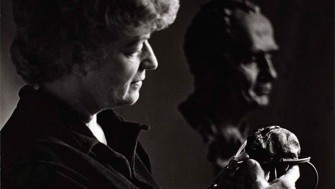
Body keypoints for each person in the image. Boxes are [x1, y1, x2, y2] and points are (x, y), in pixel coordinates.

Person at [1, 0, 179, 188]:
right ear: (78, 55)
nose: (152, 61)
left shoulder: (110, 129)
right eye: (134, 49)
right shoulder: (41, 170)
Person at [179, 0, 279, 172]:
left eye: (270, 56)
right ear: (209, 65)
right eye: (252, 59)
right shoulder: (173, 141)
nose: (271, 73)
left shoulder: (250, 142)